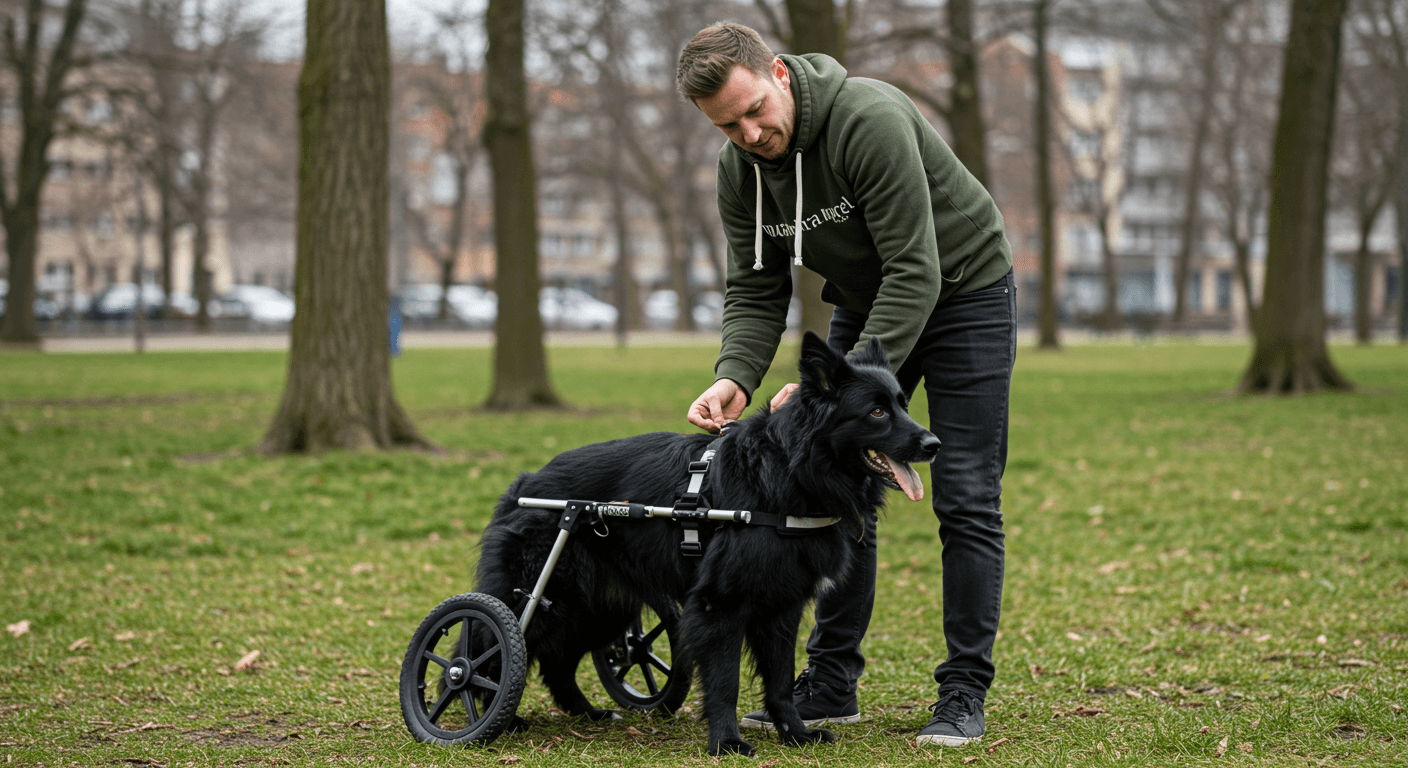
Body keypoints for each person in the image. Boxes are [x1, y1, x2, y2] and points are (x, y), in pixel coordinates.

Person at [676, 22, 1015, 747]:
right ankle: (831, 685)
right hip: (868, 301)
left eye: (755, 110)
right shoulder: (740, 170)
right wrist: (734, 376)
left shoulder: (868, 119)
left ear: (779, 73)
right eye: (728, 125)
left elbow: (917, 269)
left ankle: (962, 695)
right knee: (825, 489)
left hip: (963, 292)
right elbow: (757, 285)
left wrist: (838, 385)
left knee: (965, 494)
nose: (750, 133)